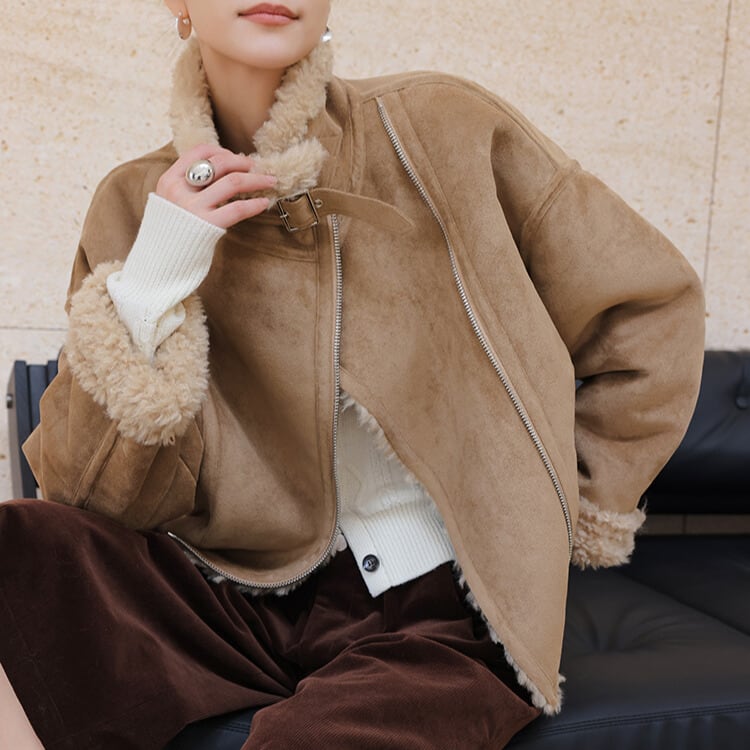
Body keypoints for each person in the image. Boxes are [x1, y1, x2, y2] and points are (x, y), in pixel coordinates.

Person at [0, 1, 705, 748]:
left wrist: (562, 517)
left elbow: (650, 307)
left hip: (448, 606)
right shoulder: (133, 200)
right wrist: (155, 273)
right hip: (235, 597)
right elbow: (84, 495)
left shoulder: (441, 126)